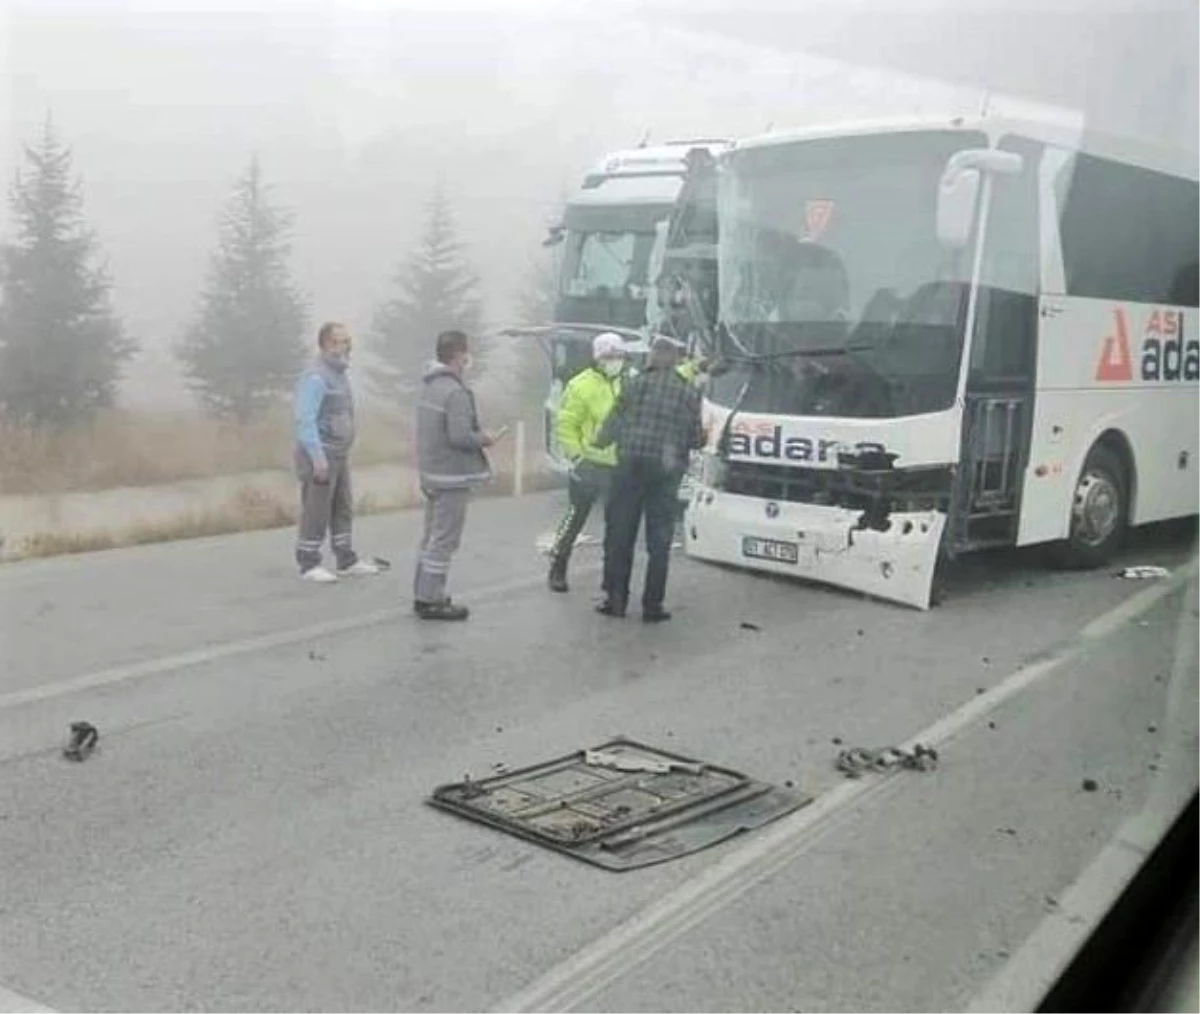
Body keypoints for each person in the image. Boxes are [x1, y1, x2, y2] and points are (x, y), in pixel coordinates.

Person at [593, 334, 705, 622]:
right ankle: (652, 606)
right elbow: (695, 438)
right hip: (665, 473)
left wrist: (600, 443)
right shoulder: (688, 392)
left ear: (655, 356)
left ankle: (616, 601)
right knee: (659, 540)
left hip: (629, 467)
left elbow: (614, 422)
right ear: (676, 360)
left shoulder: (635, 384)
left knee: (621, 534)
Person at [413, 330, 504, 621]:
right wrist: (486, 438)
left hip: (431, 472)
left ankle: (422, 592)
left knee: (430, 537)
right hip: (451, 476)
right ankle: (432, 599)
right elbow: (460, 435)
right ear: (459, 355)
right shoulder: (456, 393)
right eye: (467, 352)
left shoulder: (429, 387)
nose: (469, 358)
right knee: (445, 539)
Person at [293, 322, 382, 583]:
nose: (346, 346)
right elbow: (305, 419)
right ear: (325, 344)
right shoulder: (316, 376)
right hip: (320, 456)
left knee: (342, 506)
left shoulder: (339, 375)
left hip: (339, 454)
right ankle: (308, 563)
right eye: (340, 341)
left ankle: (346, 558)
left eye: (347, 341)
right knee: (316, 510)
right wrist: (317, 457)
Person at [547, 332, 627, 593]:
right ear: (597, 358)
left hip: (620, 465)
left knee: (618, 524)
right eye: (609, 356)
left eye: (619, 356)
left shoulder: (631, 382)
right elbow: (566, 424)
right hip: (589, 464)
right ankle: (558, 564)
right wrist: (576, 457)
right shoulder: (580, 385)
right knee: (575, 517)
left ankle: (612, 578)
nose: (615, 361)